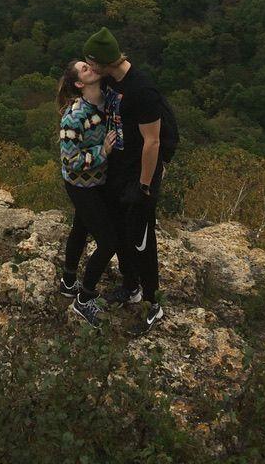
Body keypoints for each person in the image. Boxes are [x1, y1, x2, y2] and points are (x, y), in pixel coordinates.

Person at [83, 27, 166, 335]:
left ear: (104, 61)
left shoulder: (142, 89)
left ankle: (153, 304)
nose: (90, 67)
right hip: (118, 172)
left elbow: (153, 142)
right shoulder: (111, 81)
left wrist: (144, 186)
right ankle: (130, 286)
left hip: (139, 177)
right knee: (120, 233)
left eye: (92, 62)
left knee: (142, 242)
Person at [56, 59, 119, 329]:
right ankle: (84, 298)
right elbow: (70, 160)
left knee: (80, 230)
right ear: (80, 84)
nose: (91, 67)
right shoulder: (74, 116)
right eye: (85, 69)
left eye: (89, 64)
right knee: (109, 242)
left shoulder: (107, 100)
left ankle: (68, 282)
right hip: (81, 185)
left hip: (98, 182)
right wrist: (102, 153)